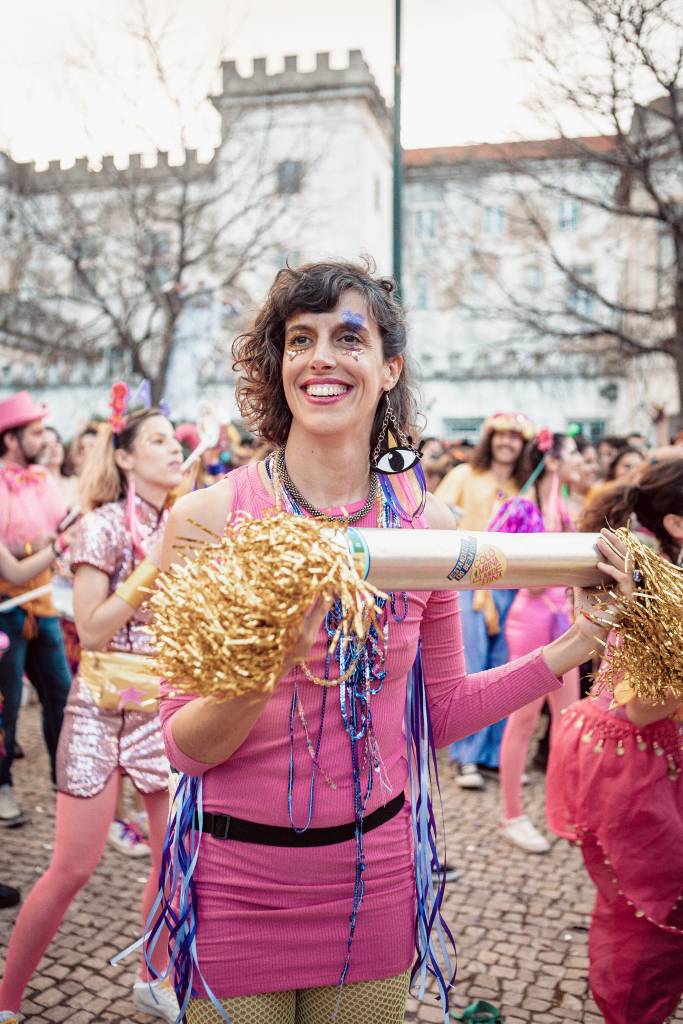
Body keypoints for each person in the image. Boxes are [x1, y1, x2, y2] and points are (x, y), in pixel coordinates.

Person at [153, 261, 631, 1024]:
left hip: (370, 882)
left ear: (387, 367)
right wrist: (267, 663)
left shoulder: (428, 532)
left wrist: (581, 640)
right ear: (276, 366)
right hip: (236, 878)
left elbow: (437, 714)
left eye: (349, 338)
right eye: (299, 339)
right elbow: (182, 748)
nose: (321, 358)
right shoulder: (208, 520)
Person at [0, 405, 183, 1023]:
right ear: (126, 457)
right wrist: (158, 563)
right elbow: (97, 632)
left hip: (162, 712)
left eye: (174, 438)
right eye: (157, 440)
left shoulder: (188, 524)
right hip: (99, 713)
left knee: (174, 859)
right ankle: (5, 1001)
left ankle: (154, 976)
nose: (174, 448)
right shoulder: (101, 525)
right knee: (72, 867)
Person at [546, 459, 683, 1024]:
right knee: (649, 921)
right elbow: (644, 703)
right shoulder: (653, 592)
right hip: (640, 776)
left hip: (649, 765)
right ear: (677, 523)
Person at [435, 411, 533, 789]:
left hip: (511, 586)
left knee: (505, 667)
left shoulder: (527, 484)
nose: (506, 443)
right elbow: (435, 518)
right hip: (468, 585)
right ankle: (467, 758)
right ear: (489, 439)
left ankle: (494, 755)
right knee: (471, 668)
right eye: (500, 436)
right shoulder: (463, 475)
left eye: (514, 437)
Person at [497, 430, 583, 853]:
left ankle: (563, 811)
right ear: (552, 461)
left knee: (567, 722)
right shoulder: (526, 508)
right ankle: (512, 814)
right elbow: (526, 581)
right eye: (573, 455)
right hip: (530, 619)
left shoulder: (570, 505)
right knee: (524, 720)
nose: (580, 461)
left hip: (563, 620)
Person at [0, 392, 72, 826]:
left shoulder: (43, 480)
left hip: (43, 607)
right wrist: (49, 547)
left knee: (61, 697)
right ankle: (1, 785)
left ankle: (64, 781)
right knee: (4, 707)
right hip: (6, 611)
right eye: (36, 432)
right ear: (10, 438)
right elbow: (13, 560)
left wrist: (47, 547)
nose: (45, 439)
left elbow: (59, 531)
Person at [42, 426, 79, 509]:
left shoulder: (75, 482)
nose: (53, 448)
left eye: (56, 442)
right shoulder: (37, 488)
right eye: (46, 445)